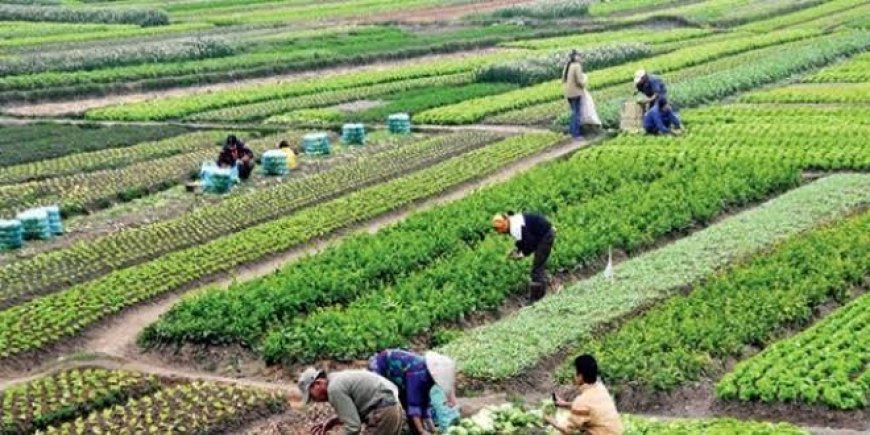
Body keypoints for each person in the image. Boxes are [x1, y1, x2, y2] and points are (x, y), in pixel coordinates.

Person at [367, 349, 457, 435]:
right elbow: (413, 403)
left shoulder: (428, 378)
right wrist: (422, 431)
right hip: (380, 368)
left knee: (415, 405)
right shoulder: (418, 374)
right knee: (386, 405)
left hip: (400, 378)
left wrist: (433, 430)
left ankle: (414, 429)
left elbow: (425, 403)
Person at [298, 367, 404, 435]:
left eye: (311, 396)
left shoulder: (334, 389)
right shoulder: (336, 378)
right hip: (394, 407)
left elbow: (353, 427)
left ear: (317, 383)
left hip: (383, 411)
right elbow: (358, 409)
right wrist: (334, 421)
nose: (315, 400)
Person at [546, 354, 623, 435]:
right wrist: (564, 404)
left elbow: (567, 430)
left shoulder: (582, 401)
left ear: (580, 376)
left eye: (575, 372)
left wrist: (549, 419)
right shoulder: (600, 388)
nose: (573, 375)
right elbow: (589, 408)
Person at [492, 212, 555, 302]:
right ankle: (537, 295)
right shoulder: (513, 221)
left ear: (505, 223)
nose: (500, 232)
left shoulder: (516, 227)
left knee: (537, 269)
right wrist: (517, 249)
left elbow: (530, 244)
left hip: (545, 236)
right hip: (541, 234)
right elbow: (523, 240)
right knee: (538, 266)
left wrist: (521, 254)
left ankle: (537, 298)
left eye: (500, 229)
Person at [562, 49, 586, 139]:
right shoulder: (577, 66)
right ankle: (576, 134)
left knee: (573, 112)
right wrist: (584, 84)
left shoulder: (568, 66)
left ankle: (572, 131)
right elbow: (579, 81)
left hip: (568, 93)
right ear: (575, 57)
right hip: (576, 92)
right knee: (576, 113)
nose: (580, 58)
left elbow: (563, 79)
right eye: (579, 56)